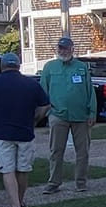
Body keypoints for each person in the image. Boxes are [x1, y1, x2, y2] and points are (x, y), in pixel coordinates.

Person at [0, 53, 50, 207]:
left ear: (2, 66)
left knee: (8, 170)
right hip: (25, 132)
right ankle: (21, 201)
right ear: (18, 66)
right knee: (23, 170)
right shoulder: (31, 84)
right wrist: (36, 119)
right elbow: (45, 105)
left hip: (2, 133)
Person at [40, 36, 97, 194]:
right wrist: (46, 111)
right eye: (60, 48)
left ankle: (80, 182)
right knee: (56, 150)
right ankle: (54, 182)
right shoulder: (49, 67)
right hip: (58, 115)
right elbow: (42, 91)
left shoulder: (81, 67)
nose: (62, 51)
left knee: (83, 151)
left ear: (72, 49)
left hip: (81, 116)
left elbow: (89, 91)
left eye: (65, 48)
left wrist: (92, 112)